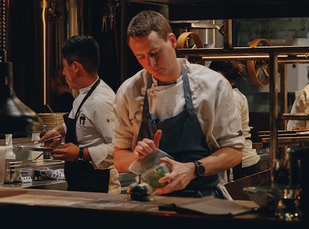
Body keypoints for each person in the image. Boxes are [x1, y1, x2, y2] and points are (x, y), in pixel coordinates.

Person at [113, 10, 244, 198]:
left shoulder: (214, 85)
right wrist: (139, 157)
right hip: (151, 200)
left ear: (172, 41)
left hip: (204, 199)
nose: (150, 63)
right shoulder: (129, 91)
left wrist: (193, 169)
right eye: (140, 57)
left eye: (154, 53)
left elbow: (234, 152)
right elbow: (119, 158)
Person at [39, 35, 120, 193]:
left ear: (76, 67)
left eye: (65, 66)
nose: (63, 73)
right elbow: (82, 123)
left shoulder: (101, 101)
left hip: (100, 188)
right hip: (82, 185)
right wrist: (58, 131)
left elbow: (119, 148)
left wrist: (81, 153)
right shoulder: (83, 95)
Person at [209, 60, 261, 180]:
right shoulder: (237, 95)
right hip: (243, 159)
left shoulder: (232, 97)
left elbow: (233, 131)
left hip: (242, 161)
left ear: (219, 75)